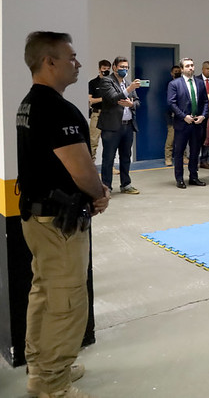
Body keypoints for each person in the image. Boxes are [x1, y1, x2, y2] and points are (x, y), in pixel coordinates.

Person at [17, 31, 111, 398]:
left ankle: (41, 367)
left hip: (37, 217)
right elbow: (81, 168)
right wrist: (99, 193)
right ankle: (52, 384)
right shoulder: (56, 108)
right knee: (67, 300)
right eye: (71, 57)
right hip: (59, 223)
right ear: (49, 62)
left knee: (44, 292)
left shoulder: (30, 103)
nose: (78, 63)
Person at [97, 56, 141, 195]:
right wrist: (129, 89)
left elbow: (138, 102)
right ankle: (106, 188)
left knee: (126, 156)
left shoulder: (128, 83)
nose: (124, 69)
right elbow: (113, 98)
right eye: (121, 67)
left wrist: (131, 104)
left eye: (126, 67)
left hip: (127, 126)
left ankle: (126, 184)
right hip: (111, 127)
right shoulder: (106, 81)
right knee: (108, 158)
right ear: (114, 67)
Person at [167, 58, 209, 188]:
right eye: (187, 66)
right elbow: (171, 103)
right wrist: (183, 116)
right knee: (179, 152)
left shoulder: (200, 83)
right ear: (182, 69)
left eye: (192, 65)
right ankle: (179, 178)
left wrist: (203, 115)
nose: (190, 68)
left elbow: (205, 102)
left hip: (197, 123)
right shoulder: (175, 84)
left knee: (195, 151)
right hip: (182, 123)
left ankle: (194, 177)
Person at [87, 59, 111, 162]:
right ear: (99, 69)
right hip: (97, 114)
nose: (106, 71)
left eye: (108, 69)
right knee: (93, 141)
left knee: (109, 142)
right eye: (104, 69)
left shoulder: (111, 82)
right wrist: (103, 98)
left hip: (109, 114)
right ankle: (90, 165)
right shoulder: (93, 83)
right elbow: (90, 100)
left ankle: (110, 166)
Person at [197, 61, 209, 170]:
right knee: (198, 138)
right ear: (203, 69)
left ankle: (204, 160)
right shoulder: (196, 80)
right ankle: (195, 160)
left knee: (208, 138)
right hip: (199, 114)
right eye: (207, 68)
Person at [164, 65, 182, 166]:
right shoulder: (169, 84)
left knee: (183, 137)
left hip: (182, 114)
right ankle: (168, 158)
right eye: (175, 71)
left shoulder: (183, 83)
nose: (177, 73)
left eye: (179, 71)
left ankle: (184, 156)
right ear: (171, 73)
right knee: (171, 136)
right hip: (170, 114)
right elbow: (168, 101)